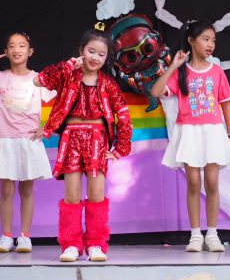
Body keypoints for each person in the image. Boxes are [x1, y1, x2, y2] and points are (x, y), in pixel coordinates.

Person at [33, 27, 132, 262]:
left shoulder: (108, 84)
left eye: (101, 54)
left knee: (96, 194)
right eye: (91, 51)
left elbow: (123, 114)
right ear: (81, 51)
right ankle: (71, 245)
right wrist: (69, 65)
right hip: (71, 138)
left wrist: (119, 148)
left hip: (98, 140)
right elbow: (40, 80)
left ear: (106, 58)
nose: (95, 57)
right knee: (72, 194)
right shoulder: (68, 76)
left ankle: (96, 244)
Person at [151, 20, 230, 252]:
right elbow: (156, 91)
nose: (210, 45)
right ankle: (196, 234)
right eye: (205, 39)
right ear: (191, 41)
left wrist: (229, 133)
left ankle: (213, 234)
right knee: (193, 183)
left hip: (213, 131)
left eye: (213, 40)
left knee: (212, 182)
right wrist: (173, 66)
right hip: (189, 132)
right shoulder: (181, 73)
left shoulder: (217, 72)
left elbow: (226, 103)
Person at [0, 32, 54, 253]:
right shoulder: (1, 77)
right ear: (6, 52)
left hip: (28, 140)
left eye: (22, 46)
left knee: (27, 189)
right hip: (5, 140)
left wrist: (48, 127)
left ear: (30, 52)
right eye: (12, 46)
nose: (17, 50)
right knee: (6, 190)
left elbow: (63, 101)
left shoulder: (38, 79)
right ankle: (6, 236)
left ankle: (25, 236)